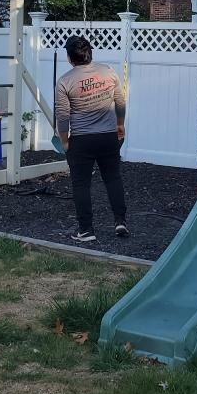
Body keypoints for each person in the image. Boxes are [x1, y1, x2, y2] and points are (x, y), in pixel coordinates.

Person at [55, 35, 128, 241]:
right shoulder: (109, 72)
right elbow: (120, 101)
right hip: (108, 136)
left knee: (81, 185)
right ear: (90, 53)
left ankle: (86, 230)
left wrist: (64, 140)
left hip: (81, 140)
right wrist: (120, 123)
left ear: (70, 57)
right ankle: (120, 222)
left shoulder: (65, 81)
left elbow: (63, 115)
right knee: (113, 178)